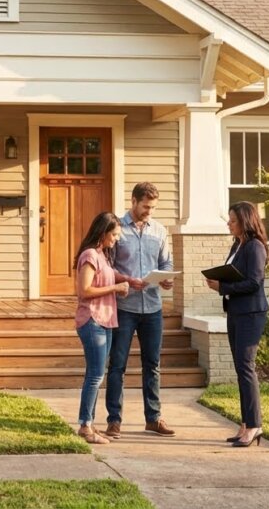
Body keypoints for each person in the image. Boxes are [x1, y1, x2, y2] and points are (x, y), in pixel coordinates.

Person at [104, 182, 176, 439]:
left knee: (153, 364)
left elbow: (166, 261)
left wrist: (167, 278)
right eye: (146, 206)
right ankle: (114, 420)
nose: (149, 211)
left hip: (153, 308)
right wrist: (125, 280)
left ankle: (153, 419)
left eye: (153, 207)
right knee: (117, 365)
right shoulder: (117, 228)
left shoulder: (159, 230)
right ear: (133, 201)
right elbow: (106, 265)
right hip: (125, 307)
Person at [206, 201, 269, 447]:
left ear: (245, 221)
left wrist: (223, 287)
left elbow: (254, 282)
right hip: (235, 310)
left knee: (246, 368)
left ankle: (255, 425)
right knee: (240, 369)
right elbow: (235, 272)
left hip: (251, 313)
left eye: (232, 220)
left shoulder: (255, 247)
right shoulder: (238, 244)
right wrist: (219, 279)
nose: (228, 224)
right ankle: (245, 424)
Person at [74, 211, 130, 445]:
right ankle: (85, 425)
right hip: (92, 320)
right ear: (103, 232)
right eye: (114, 234)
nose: (116, 239)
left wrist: (129, 281)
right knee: (95, 375)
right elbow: (84, 291)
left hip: (105, 320)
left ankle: (90, 423)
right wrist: (116, 289)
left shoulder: (101, 255)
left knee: (97, 374)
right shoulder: (89, 255)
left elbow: (108, 276)